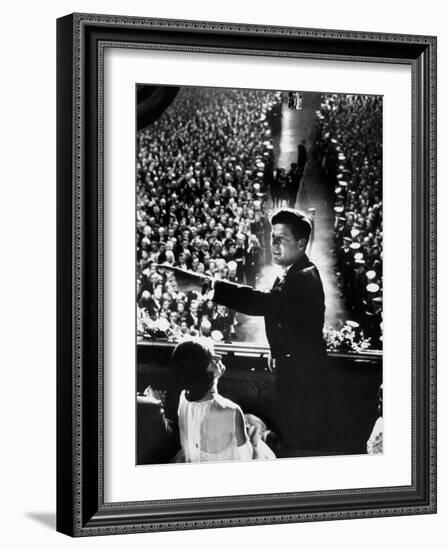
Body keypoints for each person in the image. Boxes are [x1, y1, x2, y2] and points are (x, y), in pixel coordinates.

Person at [157, 209, 329, 457]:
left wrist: (201, 283)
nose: (274, 244)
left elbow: (260, 303)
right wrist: (278, 351)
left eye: (282, 238)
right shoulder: (294, 272)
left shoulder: (302, 278)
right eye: (273, 237)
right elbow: (285, 316)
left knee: (300, 438)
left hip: (304, 379)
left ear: (301, 244)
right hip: (295, 369)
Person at [171, 339, 276, 462]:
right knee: (258, 428)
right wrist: (252, 439)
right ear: (204, 374)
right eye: (210, 358)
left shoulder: (184, 397)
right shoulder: (231, 410)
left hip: (196, 460)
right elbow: (246, 458)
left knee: (250, 420)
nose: (218, 357)